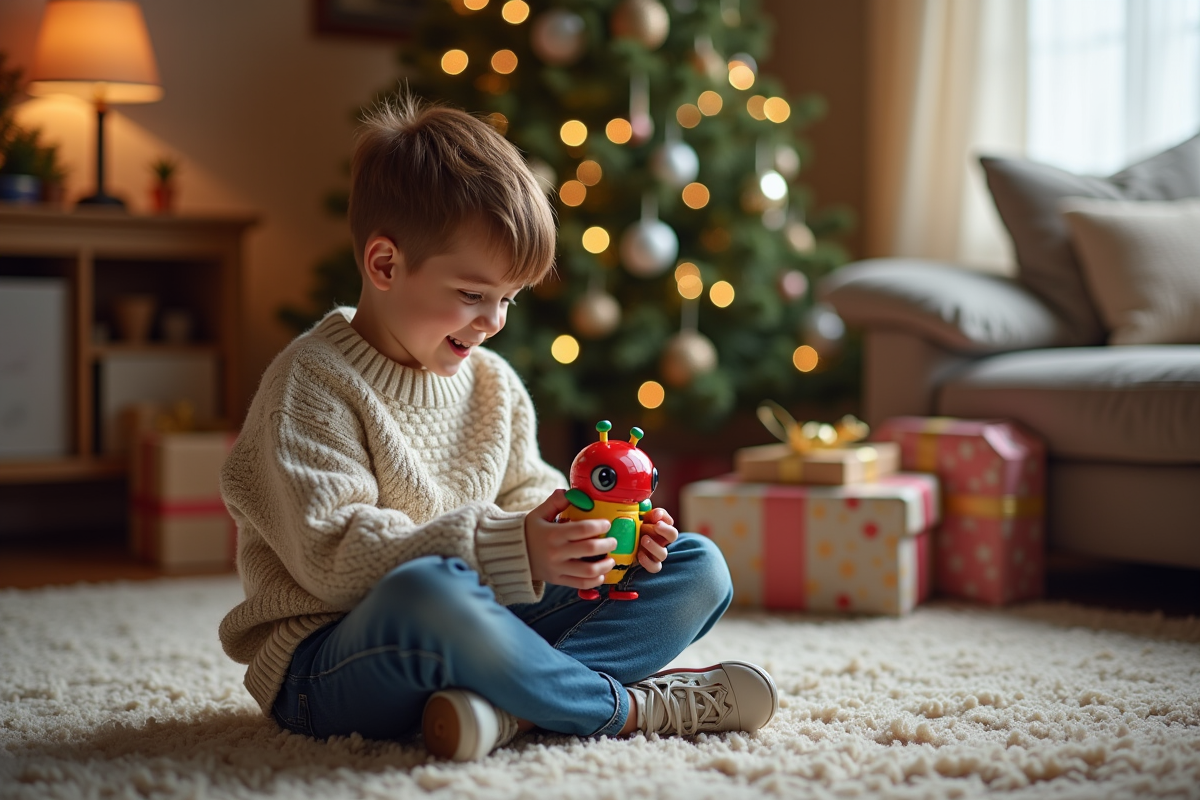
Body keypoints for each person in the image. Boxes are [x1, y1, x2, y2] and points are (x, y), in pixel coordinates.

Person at [217, 96, 777, 762]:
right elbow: (336, 557)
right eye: (473, 295)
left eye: (508, 298)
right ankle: (619, 709)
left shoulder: (493, 384)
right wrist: (517, 548)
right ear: (386, 265)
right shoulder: (310, 384)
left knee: (698, 568)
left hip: (481, 628)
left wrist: (593, 539)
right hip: (329, 663)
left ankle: (504, 708)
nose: (493, 322)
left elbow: (525, 500)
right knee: (432, 591)